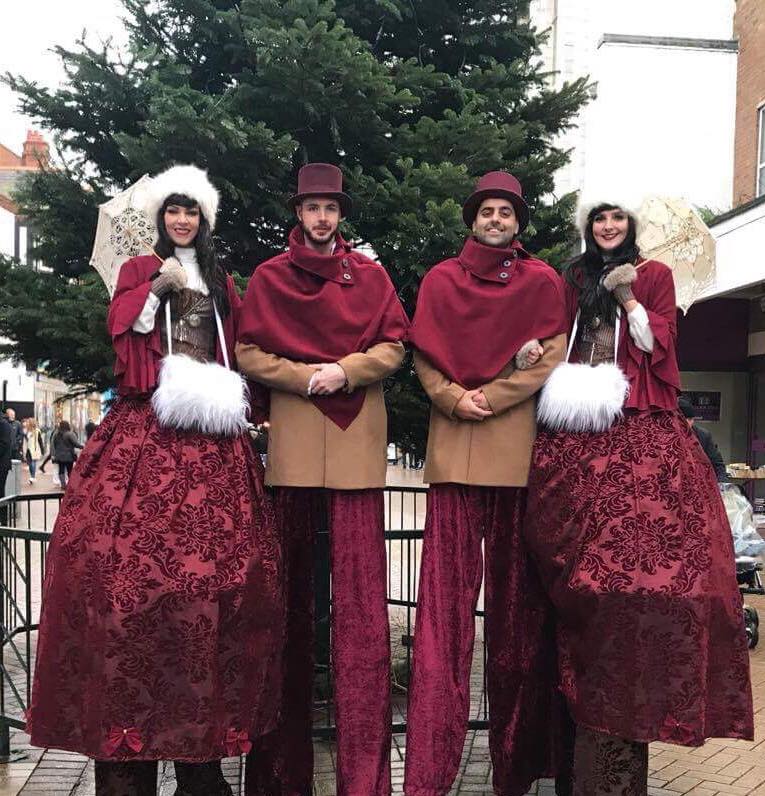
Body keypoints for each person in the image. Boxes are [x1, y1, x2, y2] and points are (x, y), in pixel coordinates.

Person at [27, 164, 283, 796]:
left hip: (216, 436)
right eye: (173, 211)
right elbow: (130, 331)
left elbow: (238, 348)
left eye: (191, 212)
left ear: (204, 218)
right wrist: (157, 291)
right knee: (125, 577)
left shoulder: (222, 281)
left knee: (223, 577)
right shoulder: (140, 272)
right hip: (147, 425)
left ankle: (205, 754)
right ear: (160, 218)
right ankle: (128, 746)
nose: (182, 221)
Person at [522, 200, 753, 794]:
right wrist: (530, 355)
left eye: (617, 218)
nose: (607, 228)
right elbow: (557, 337)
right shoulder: (572, 277)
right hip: (575, 420)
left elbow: (655, 345)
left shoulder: (652, 275)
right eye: (599, 218)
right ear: (588, 225)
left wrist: (628, 296)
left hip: (638, 411)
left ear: (631, 226)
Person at [236, 163, 409, 796]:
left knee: (362, 602)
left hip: (356, 434)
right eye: (312, 207)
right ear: (298, 213)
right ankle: (281, 772)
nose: (322, 218)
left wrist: (346, 370)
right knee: (289, 596)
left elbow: (395, 343)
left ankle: (364, 770)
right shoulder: (269, 277)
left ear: (341, 215)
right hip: (298, 444)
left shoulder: (370, 276)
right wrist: (301, 376)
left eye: (331, 208)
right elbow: (249, 350)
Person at [404, 171, 569, 796]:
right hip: (454, 450)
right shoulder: (441, 280)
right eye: (487, 211)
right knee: (441, 615)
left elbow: (553, 352)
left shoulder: (542, 282)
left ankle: (517, 764)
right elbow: (422, 350)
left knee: (516, 617)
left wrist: (493, 396)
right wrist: (451, 398)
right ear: (471, 218)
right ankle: (429, 767)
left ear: (518, 222)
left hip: (513, 456)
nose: (496, 219)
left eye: (506, 212)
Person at [678, 397, 728, 481]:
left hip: (699, 481)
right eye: (683, 419)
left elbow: (717, 463)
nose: (688, 423)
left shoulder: (703, 436)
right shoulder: (666, 435)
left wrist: (722, 484)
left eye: (691, 419)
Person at [50, 420, 82, 489]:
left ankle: (63, 485)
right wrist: (83, 447)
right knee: (69, 470)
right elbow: (75, 444)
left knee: (61, 470)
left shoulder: (56, 434)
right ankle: (70, 484)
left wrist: (54, 454)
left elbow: (54, 444)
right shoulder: (70, 434)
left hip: (59, 456)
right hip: (69, 456)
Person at [24, 417, 45, 484]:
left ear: (30, 423)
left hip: (34, 449)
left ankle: (32, 477)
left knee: (33, 462)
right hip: (28, 449)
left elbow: (40, 441)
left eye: (28, 422)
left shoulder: (37, 431)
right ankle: (32, 476)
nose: (26, 423)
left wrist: (42, 450)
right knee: (30, 463)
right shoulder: (26, 431)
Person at [0, 410, 11, 524]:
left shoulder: (3, 424)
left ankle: (3, 524)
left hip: (1, 466)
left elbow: (4, 444)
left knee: (1, 495)